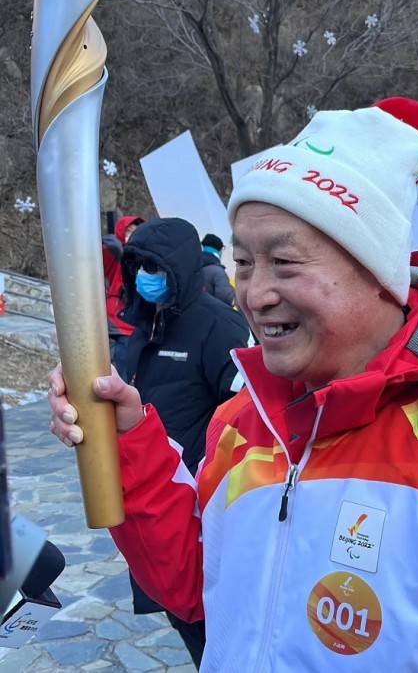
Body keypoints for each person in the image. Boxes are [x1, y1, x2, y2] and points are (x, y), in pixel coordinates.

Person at [50, 98, 418, 671]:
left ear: (376, 271)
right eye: (243, 262)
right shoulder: (243, 424)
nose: (255, 294)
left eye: (285, 262)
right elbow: (196, 585)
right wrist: (128, 441)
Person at [118, 216, 250, 668]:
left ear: (179, 268)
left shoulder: (219, 326)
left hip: (199, 504)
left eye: (154, 267)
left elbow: (245, 418)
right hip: (157, 499)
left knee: (214, 632)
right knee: (180, 614)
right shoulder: (146, 325)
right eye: (137, 267)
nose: (144, 277)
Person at [102, 215, 143, 377]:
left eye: (136, 231)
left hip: (132, 323)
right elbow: (105, 252)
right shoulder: (116, 253)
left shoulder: (141, 258)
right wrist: (111, 242)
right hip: (114, 320)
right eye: (128, 230)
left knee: (124, 373)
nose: (132, 234)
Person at [200, 233, 236, 306]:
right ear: (219, 250)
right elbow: (226, 299)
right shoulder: (217, 271)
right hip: (210, 311)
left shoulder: (192, 265)